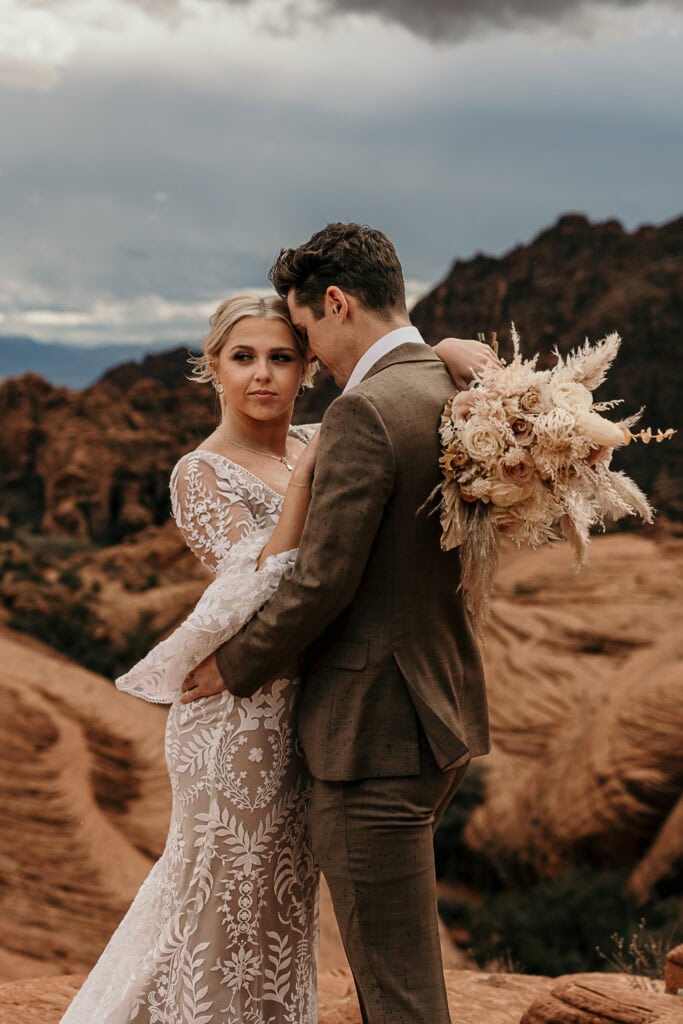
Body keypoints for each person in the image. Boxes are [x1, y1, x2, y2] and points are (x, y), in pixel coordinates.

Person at [182, 223, 495, 1024]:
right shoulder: (441, 386)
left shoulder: (360, 413)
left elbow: (320, 580)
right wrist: (450, 347)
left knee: (397, 994)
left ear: (333, 301)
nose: (306, 358)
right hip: (432, 711)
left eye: (300, 338)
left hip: (368, 735)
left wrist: (230, 666)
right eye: (249, 356)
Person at [59, 294, 322, 1024]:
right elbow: (252, 590)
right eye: (243, 358)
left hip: (302, 716)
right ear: (212, 369)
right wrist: (305, 485)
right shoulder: (199, 473)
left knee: (278, 914)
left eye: (280, 357)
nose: (262, 375)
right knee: (216, 909)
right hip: (234, 729)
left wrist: (452, 353)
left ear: (307, 366)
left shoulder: (314, 441)